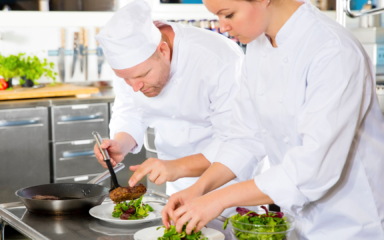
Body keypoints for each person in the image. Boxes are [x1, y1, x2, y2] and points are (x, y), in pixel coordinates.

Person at [161, 0, 384, 239]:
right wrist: (198, 190)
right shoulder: (258, 46)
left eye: (228, 14)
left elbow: (312, 169)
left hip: (352, 223)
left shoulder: (332, 49)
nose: (223, 27)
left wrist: (217, 200)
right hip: (298, 223)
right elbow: (244, 138)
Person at [93, 0, 255, 219]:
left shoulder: (218, 58)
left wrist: (176, 166)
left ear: (163, 49)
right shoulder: (132, 65)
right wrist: (121, 144)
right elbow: (131, 111)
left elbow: (238, 142)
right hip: (178, 191)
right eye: (126, 79)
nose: (135, 86)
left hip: (233, 191)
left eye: (142, 76)